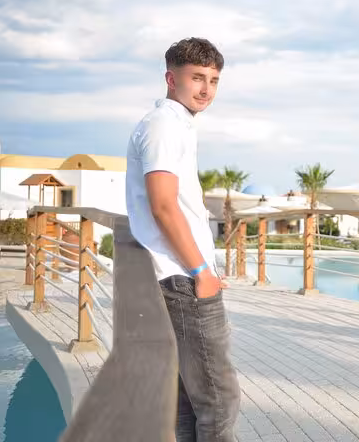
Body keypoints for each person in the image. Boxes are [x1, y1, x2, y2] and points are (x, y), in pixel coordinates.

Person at [125, 37, 240, 441]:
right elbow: (163, 205)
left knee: (190, 400)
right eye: (197, 78)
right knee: (218, 398)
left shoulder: (172, 124)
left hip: (174, 275)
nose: (206, 88)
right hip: (183, 279)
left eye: (213, 79)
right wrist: (200, 271)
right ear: (171, 79)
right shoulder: (165, 125)